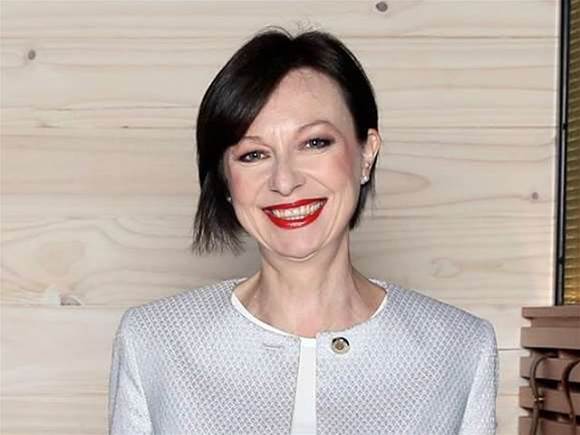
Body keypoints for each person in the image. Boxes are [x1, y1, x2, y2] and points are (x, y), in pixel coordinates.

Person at [108, 26, 499, 435]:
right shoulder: (152, 340)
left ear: (366, 153)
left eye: (314, 143)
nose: (284, 181)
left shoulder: (460, 347)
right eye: (253, 154)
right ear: (224, 178)